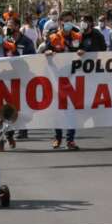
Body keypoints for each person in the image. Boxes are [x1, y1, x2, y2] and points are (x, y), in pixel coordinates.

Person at [43, 15, 82, 149]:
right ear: (60, 23)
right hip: (57, 79)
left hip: (74, 78)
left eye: (70, 20)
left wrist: (83, 52)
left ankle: (70, 140)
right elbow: (45, 51)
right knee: (58, 110)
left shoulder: (77, 36)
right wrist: (47, 52)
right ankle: (58, 138)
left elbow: (82, 52)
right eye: (65, 21)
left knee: (71, 110)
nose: (68, 23)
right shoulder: (54, 38)